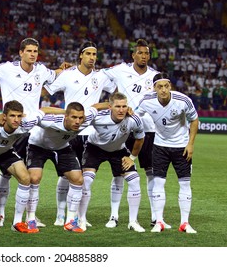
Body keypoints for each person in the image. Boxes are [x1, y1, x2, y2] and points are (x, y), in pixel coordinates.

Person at [0, 37, 69, 227]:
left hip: (32, 130)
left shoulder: (41, 70)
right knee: (6, 173)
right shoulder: (6, 69)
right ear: (21, 52)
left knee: (31, 176)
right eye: (29, 51)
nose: (33, 54)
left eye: (35, 51)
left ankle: (29, 216)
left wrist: (65, 68)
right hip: (11, 129)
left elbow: (54, 74)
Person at [0, 100, 63, 234]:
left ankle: (17, 223)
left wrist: (66, 111)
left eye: (19, 116)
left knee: (25, 178)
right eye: (12, 115)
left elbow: (43, 111)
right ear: (4, 116)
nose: (16, 120)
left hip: (4, 151)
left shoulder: (26, 124)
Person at [43, 41, 116, 226]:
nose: (92, 57)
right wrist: (57, 70)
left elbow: (116, 93)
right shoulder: (68, 75)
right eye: (89, 54)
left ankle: (79, 215)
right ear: (80, 55)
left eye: (95, 54)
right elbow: (47, 90)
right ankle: (61, 214)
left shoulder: (101, 77)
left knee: (83, 178)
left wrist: (100, 106)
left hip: (91, 133)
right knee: (64, 175)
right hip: (69, 132)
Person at [99, 39, 166, 228]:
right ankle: (114, 216)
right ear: (133, 55)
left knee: (152, 173)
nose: (144, 56)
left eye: (146, 53)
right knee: (119, 172)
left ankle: (156, 217)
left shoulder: (155, 77)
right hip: (124, 129)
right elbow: (97, 76)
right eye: (140, 53)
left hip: (149, 130)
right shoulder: (120, 70)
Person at [26, 101, 107, 232]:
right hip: (38, 146)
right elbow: (41, 111)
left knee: (78, 179)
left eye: (80, 118)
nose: (78, 121)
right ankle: (30, 219)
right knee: (34, 178)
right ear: (66, 117)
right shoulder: (50, 120)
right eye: (74, 117)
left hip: (61, 147)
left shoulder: (85, 120)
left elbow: (96, 107)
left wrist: (115, 106)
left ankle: (70, 221)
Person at [135, 73, 199, 233]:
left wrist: (190, 144)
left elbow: (194, 120)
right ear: (154, 88)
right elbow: (135, 116)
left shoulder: (183, 100)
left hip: (181, 147)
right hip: (160, 146)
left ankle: (185, 223)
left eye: (166, 86)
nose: (163, 90)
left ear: (170, 86)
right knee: (158, 183)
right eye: (159, 86)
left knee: (184, 183)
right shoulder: (146, 101)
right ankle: (159, 222)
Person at [79, 92, 146, 233]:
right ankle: (81, 219)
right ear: (110, 107)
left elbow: (140, 138)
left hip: (118, 150)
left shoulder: (134, 119)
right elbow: (84, 116)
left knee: (134, 180)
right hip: (95, 148)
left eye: (124, 106)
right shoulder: (98, 117)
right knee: (87, 180)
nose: (121, 110)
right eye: (117, 107)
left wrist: (132, 158)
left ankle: (130, 221)